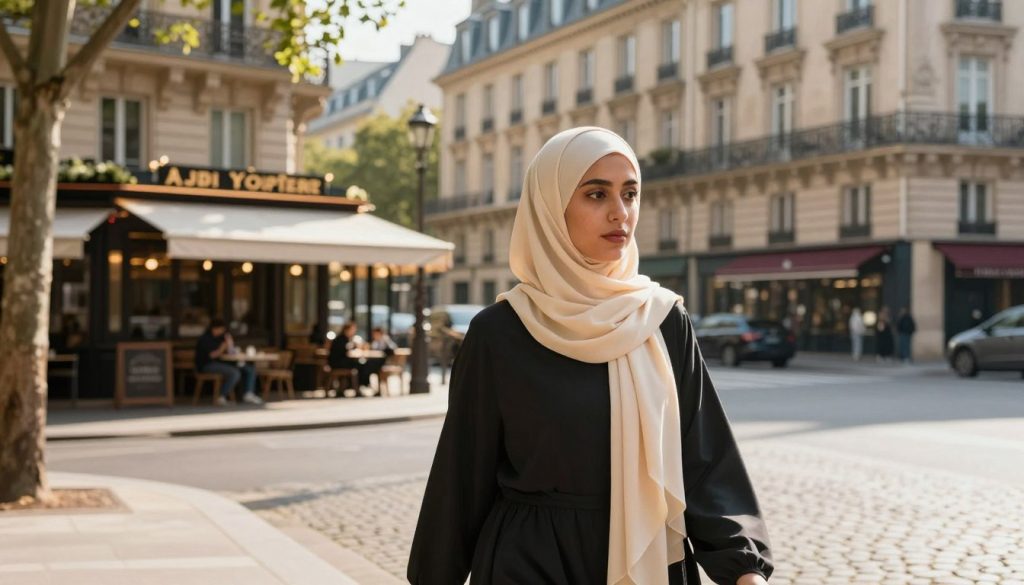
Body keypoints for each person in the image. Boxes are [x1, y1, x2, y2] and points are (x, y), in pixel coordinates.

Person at [407, 128, 773, 585]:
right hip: (532, 563)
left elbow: (704, 457)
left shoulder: (662, 319)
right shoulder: (499, 332)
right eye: (596, 194)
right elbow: (460, 479)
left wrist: (743, 568)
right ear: (550, 207)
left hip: (653, 560)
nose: (620, 213)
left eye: (630, 193)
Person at [194, 317, 262, 406]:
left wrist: (230, 343)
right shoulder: (205, 339)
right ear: (214, 328)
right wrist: (222, 348)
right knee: (235, 373)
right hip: (207, 365)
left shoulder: (221, 338)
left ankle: (248, 393)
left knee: (249, 369)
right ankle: (221, 396)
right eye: (221, 329)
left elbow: (231, 352)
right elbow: (212, 356)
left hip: (223, 363)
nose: (222, 332)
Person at [328, 321, 372, 392]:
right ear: (347, 330)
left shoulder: (345, 339)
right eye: (352, 330)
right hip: (337, 363)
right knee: (361, 365)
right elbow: (345, 352)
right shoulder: (341, 339)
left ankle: (351, 386)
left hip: (338, 361)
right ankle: (358, 386)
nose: (354, 332)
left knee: (361, 364)